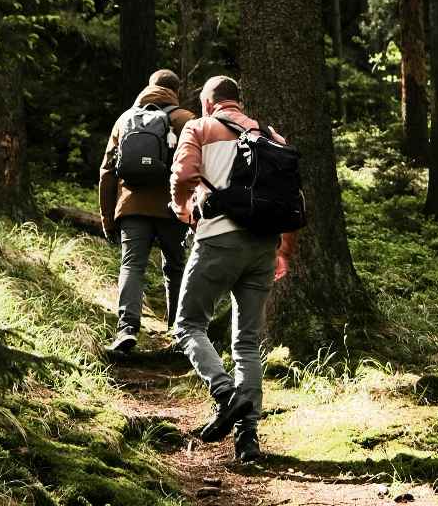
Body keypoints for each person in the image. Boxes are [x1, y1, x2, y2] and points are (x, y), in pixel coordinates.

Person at [169, 74, 296, 464]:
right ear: (238, 102)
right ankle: (248, 441)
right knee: (246, 342)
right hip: (263, 246)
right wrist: (283, 251)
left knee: (188, 325)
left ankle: (226, 394)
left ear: (209, 102)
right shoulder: (271, 138)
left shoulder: (199, 127)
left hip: (218, 240)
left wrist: (183, 209)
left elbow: (184, 175)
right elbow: (290, 197)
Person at [99, 69, 193, 356]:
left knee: (132, 266)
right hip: (173, 209)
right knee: (175, 268)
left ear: (149, 87)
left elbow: (107, 172)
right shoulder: (185, 120)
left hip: (132, 207)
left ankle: (126, 329)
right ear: (176, 90)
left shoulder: (125, 119)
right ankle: (179, 332)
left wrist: (108, 217)